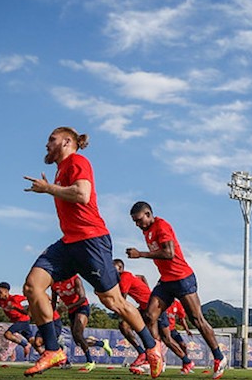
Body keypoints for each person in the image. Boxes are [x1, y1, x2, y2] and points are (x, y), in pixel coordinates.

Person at [22, 127, 164, 377]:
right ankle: (53, 350)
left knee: (114, 302)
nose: (46, 144)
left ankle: (152, 348)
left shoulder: (77, 161)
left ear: (67, 142)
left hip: (91, 241)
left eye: (51, 139)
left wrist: (49, 189)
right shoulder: (60, 170)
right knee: (32, 286)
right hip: (68, 244)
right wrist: (51, 188)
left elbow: (82, 194)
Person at [126, 201, 227, 379]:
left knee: (197, 320)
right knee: (149, 316)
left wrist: (140, 254)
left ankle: (219, 357)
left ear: (148, 214)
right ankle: (155, 357)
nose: (137, 224)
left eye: (139, 220)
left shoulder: (161, 225)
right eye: (134, 221)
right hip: (166, 281)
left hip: (182, 278)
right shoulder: (146, 230)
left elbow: (169, 253)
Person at [50, 274, 113, 373]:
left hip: (82, 307)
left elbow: (82, 298)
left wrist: (67, 307)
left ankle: (90, 362)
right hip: (71, 311)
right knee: (78, 341)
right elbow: (53, 304)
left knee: (78, 334)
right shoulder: (54, 285)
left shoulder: (75, 279)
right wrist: (51, 314)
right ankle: (102, 343)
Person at [113, 258, 157, 374]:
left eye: (114, 269)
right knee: (124, 325)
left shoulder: (124, 277)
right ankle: (142, 354)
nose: (111, 272)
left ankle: (150, 360)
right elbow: (141, 276)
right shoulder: (126, 276)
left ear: (121, 268)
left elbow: (121, 299)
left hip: (152, 307)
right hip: (144, 306)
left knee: (162, 336)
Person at [0, 282, 34, 359]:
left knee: (7, 335)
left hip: (22, 320)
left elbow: (29, 298)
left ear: (6, 291)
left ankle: (25, 344)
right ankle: (47, 353)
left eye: (0, 292)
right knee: (33, 341)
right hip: (19, 322)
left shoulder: (14, 298)